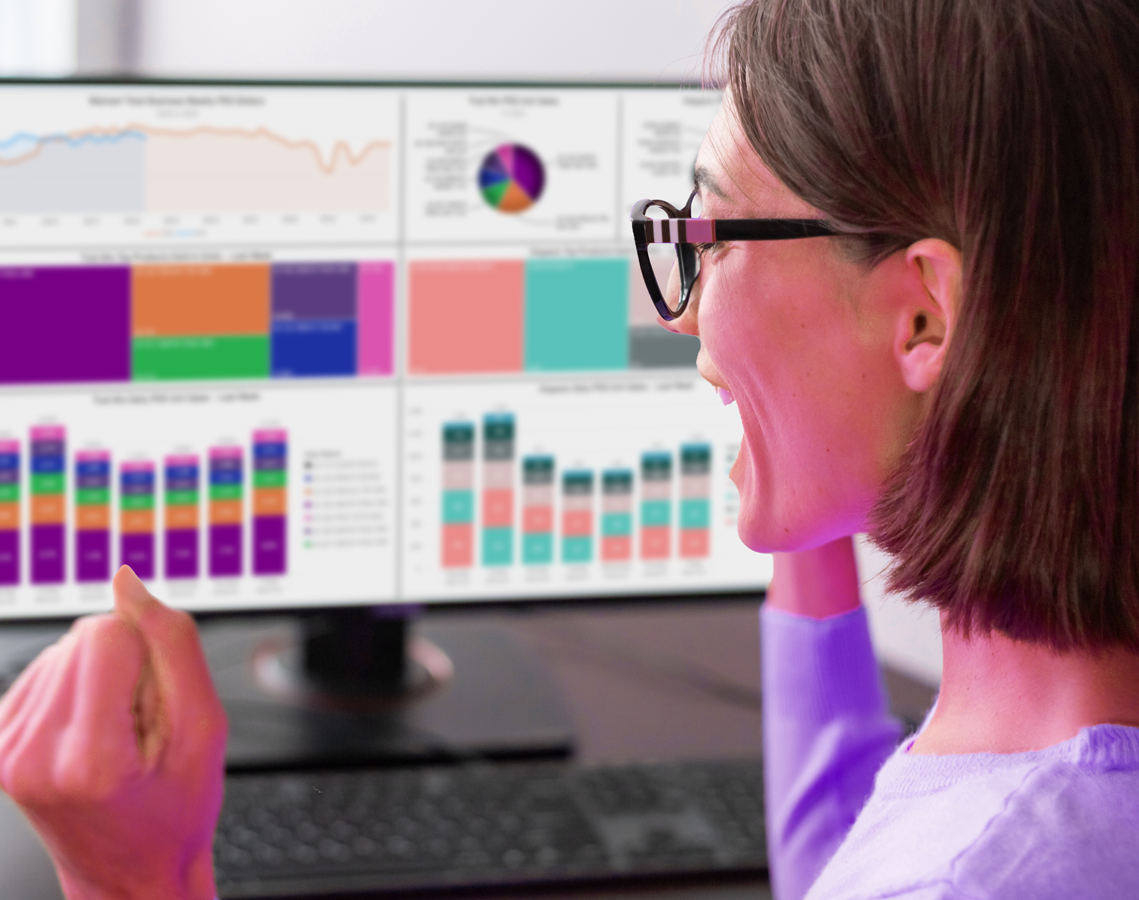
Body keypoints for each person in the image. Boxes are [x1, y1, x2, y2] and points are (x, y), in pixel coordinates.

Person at [3, 0, 1139, 897]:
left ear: (924, 316)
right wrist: (808, 444)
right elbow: (844, 855)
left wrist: (134, 872)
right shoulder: (1047, 772)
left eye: (705, 236)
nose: (679, 311)